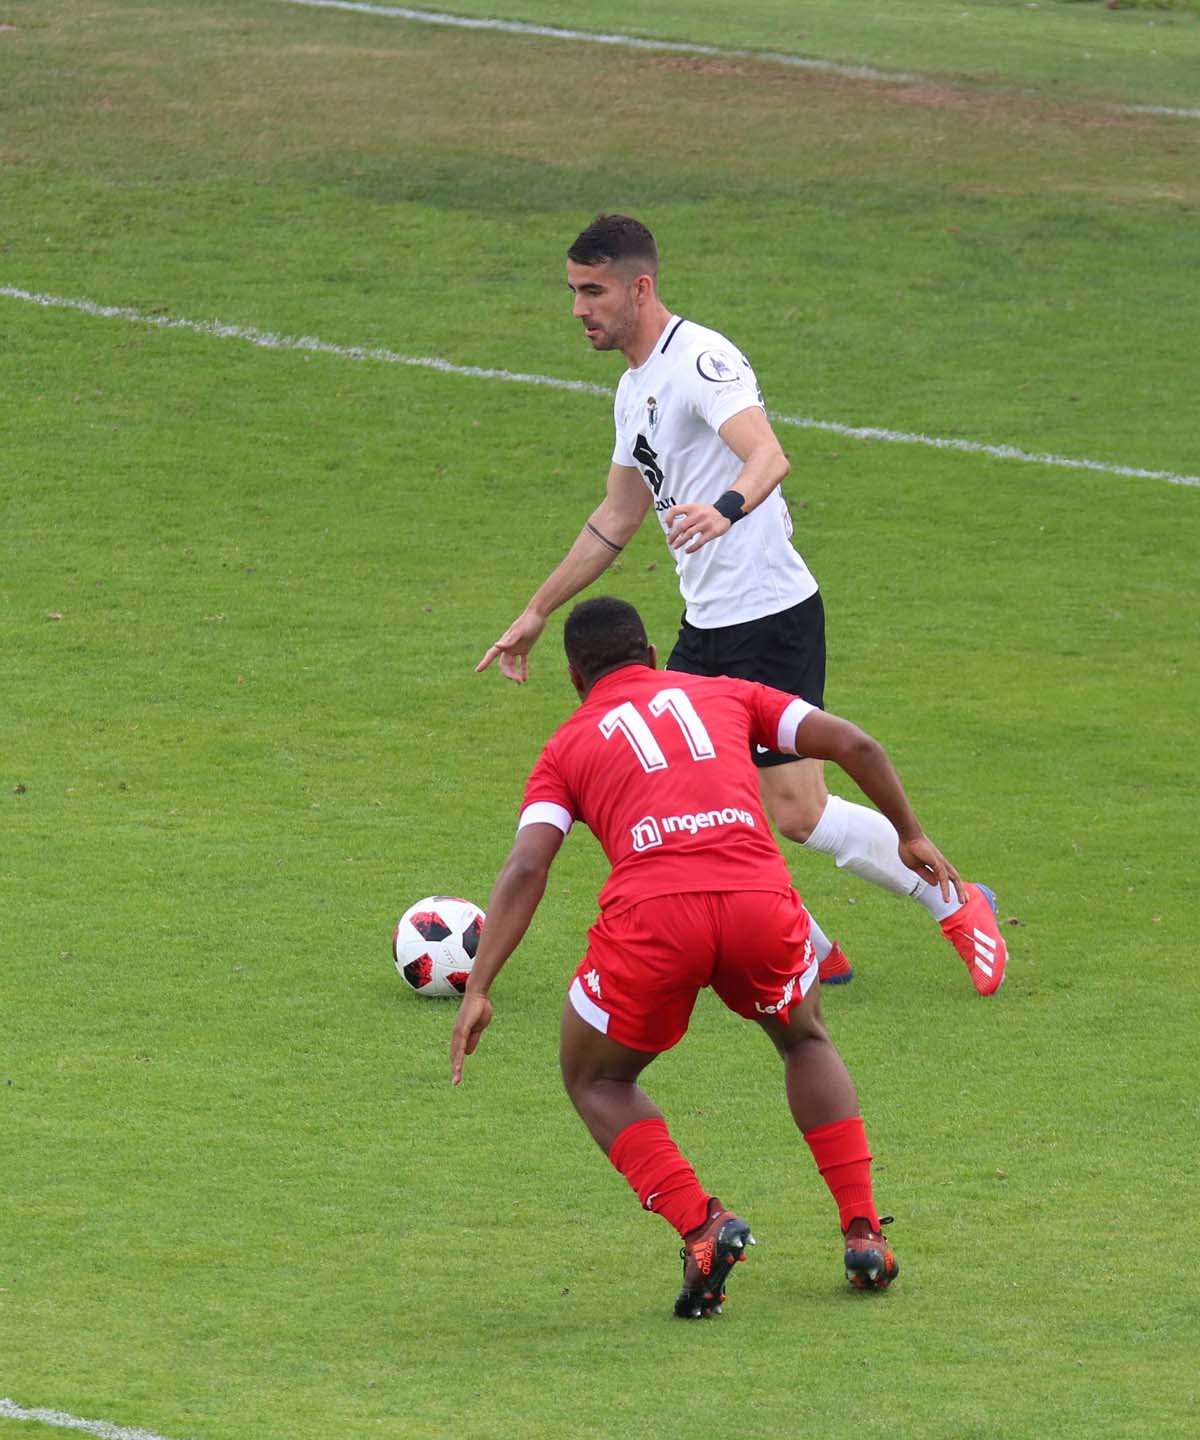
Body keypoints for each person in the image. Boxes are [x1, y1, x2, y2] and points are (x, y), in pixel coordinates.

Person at [477, 213, 1006, 997]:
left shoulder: (701, 359)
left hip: (768, 614)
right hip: (705, 625)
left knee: (796, 812)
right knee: (695, 796)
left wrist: (725, 506)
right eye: (573, 291)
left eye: (593, 291)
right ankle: (812, 945)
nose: (579, 309)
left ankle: (959, 901)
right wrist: (539, 608)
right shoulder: (633, 389)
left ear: (640, 288)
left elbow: (769, 454)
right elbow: (618, 516)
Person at [454, 596, 968, 1315]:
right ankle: (863, 1233)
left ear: (576, 677)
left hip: (654, 922)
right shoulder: (727, 695)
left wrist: (481, 985)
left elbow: (528, 867)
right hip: (758, 902)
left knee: (595, 1076)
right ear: (655, 656)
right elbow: (857, 745)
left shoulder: (566, 746)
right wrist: (908, 835)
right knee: (802, 1037)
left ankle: (702, 1226)